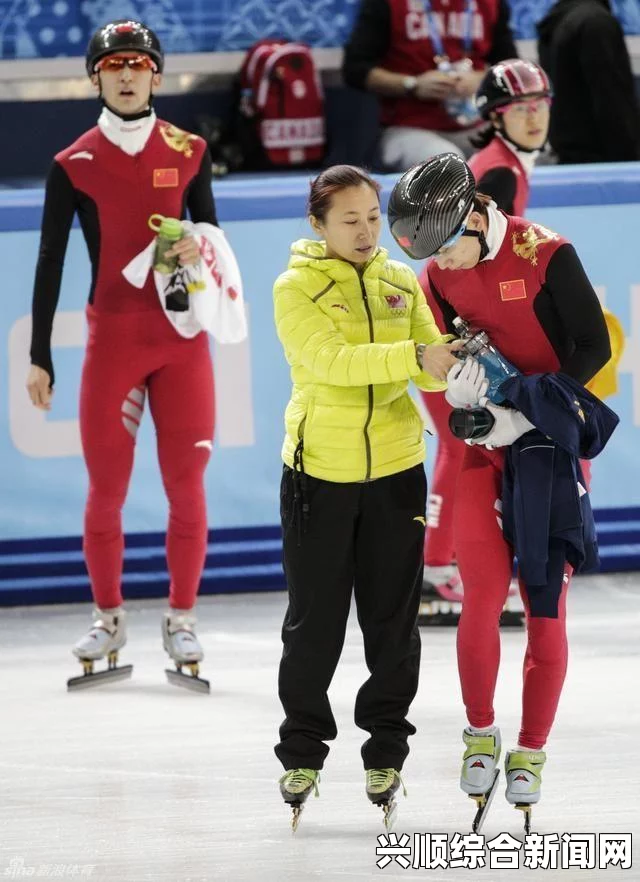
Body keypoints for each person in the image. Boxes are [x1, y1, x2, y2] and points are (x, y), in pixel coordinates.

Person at [388, 153, 612, 828]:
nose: (442, 270)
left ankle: (533, 751)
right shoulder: (438, 271)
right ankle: (480, 734)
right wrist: (462, 397)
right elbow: (447, 354)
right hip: (484, 453)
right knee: (481, 597)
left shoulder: (546, 253)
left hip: (548, 449)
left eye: (447, 253)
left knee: (545, 607)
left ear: (477, 220)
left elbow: (593, 347)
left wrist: (533, 412)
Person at [26, 20, 218, 690]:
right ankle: (108, 615)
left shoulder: (191, 150)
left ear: (158, 75)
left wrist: (201, 243)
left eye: (138, 63)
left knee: (184, 486)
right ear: (96, 78)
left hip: (182, 343)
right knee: (106, 489)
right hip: (113, 342)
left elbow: (213, 237)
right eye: (114, 65)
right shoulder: (72, 163)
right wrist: (40, 354)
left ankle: (182, 617)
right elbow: (49, 260)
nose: (127, 74)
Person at [272, 164, 461, 829]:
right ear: (318, 224)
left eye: (374, 218)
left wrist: (456, 360)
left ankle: (386, 750)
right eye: (349, 220)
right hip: (319, 475)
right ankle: (301, 753)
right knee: (314, 625)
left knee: (392, 625)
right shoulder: (295, 288)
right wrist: (418, 356)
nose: (364, 231)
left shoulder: (399, 280)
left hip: (397, 473)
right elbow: (333, 363)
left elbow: (432, 366)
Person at [418, 59, 552, 613]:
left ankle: (437, 568)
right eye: (520, 109)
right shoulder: (498, 172)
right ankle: (434, 570)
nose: (533, 117)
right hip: (438, 319)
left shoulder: (503, 165)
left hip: (441, 313)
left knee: (459, 441)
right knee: (456, 441)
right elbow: (475, 266)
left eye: (540, 105)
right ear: (496, 117)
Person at [342, 0, 517, 171]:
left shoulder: (491, 4)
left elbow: (512, 67)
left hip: (476, 124)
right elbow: (356, 70)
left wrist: (481, 80)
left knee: (524, 152)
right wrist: (412, 85)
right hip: (408, 127)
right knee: (446, 166)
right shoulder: (388, 4)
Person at [537, 0, 640, 163]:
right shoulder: (596, 23)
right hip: (604, 164)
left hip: (570, 157)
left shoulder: (561, 19)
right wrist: (631, 162)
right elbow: (613, 102)